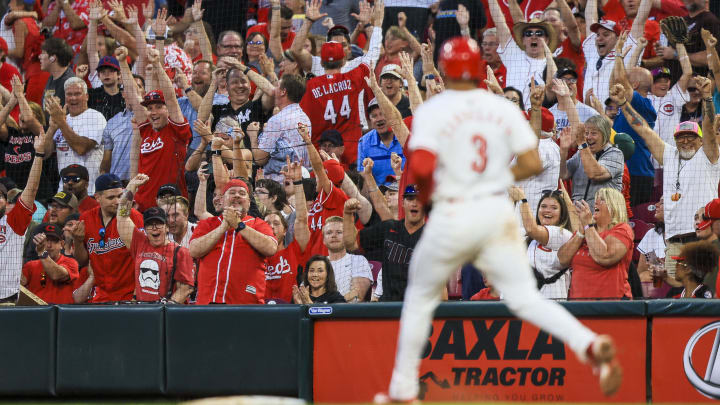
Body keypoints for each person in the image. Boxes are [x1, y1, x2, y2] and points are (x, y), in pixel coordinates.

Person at [375, 38, 621, 403]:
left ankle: (403, 390)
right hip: (495, 215)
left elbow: (423, 167)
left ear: (444, 70)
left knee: (419, 297)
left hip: (455, 214)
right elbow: (532, 164)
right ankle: (588, 343)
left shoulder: (435, 111)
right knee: (524, 298)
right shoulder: (500, 110)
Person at [610, 79, 719, 286]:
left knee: (707, 291)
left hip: (702, 239)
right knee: (676, 291)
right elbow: (642, 128)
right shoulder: (669, 155)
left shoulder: (709, 156)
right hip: (674, 239)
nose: (685, 141)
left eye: (691, 137)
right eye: (681, 137)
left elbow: (710, 129)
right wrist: (624, 103)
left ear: (701, 139)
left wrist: (707, 99)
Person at [121, 46, 192, 212]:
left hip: (171, 206)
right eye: (150, 108)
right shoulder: (146, 129)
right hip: (141, 206)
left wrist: (157, 65)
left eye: (159, 107)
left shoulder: (177, 130)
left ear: (168, 110)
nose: (153, 112)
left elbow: (171, 98)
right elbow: (132, 93)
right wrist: (123, 62)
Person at [189, 179, 278, 304]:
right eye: (232, 192)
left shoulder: (258, 223)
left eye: (242, 193)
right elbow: (194, 251)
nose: (237, 195)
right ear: (222, 200)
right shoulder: (208, 223)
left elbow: (271, 248)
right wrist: (223, 227)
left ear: (248, 202)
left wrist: (238, 225)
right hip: (208, 302)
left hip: (246, 305)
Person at [116, 177, 194, 304]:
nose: (154, 228)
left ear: (167, 227)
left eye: (158, 224)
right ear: (145, 228)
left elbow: (186, 288)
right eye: (150, 225)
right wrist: (131, 188)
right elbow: (122, 217)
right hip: (142, 310)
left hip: (169, 313)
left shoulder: (180, 252)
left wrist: (166, 308)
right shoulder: (139, 242)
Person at [343, 184, 425, 302]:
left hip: (419, 306)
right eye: (410, 199)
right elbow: (351, 244)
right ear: (402, 202)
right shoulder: (389, 228)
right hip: (388, 306)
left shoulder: (433, 237)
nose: (415, 203)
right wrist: (347, 214)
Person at [72, 173, 144, 303]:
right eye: (111, 197)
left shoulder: (134, 217)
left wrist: (135, 295)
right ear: (97, 197)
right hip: (102, 294)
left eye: (120, 196)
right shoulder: (86, 219)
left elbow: (143, 256)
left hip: (130, 293)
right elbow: (82, 261)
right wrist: (77, 241)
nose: (117, 201)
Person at [299, 40, 370, 167]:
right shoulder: (352, 78)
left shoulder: (311, 86)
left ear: (321, 62)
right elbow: (371, 58)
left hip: (321, 158)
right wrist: (376, 25)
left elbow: (302, 120)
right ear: (343, 61)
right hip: (351, 155)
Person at [558, 188, 634, 299]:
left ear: (614, 206)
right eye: (596, 199)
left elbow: (604, 257)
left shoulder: (622, 229)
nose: (596, 202)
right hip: (578, 305)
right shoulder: (586, 230)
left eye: (602, 199)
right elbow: (562, 259)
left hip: (611, 305)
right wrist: (580, 233)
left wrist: (588, 225)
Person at [0, 128, 47, 305]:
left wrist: (39, 154)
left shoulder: (13, 222)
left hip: (5, 301)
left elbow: (32, 189)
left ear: (6, 202)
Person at [510, 186, 576, 299]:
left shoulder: (563, 235)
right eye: (543, 206)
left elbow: (532, 229)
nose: (547, 210)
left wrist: (522, 199)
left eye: (554, 208)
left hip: (552, 303)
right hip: (527, 305)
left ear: (562, 214)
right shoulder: (528, 237)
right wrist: (511, 201)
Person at [46, 77, 106, 195]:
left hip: (88, 192)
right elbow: (45, 153)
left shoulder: (95, 117)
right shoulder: (63, 119)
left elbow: (81, 148)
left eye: (77, 94)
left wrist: (61, 122)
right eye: (69, 94)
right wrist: (52, 128)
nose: (73, 98)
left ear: (86, 96)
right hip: (63, 191)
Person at [264, 158, 310, 303]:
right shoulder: (256, 256)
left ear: (285, 231)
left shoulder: (294, 250)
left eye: (276, 223)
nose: (271, 227)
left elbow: (302, 218)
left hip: (289, 311)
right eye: (267, 223)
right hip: (260, 312)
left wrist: (297, 182)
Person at [249, 74, 310, 182]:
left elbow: (260, 159)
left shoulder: (276, 120)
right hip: (301, 179)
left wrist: (253, 135)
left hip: (280, 183)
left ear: (283, 92)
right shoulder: (305, 117)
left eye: (277, 86)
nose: (273, 90)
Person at [559, 115, 624, 210]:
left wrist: (582, 143)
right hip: (578, 216)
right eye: (586, 133)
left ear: (605, 135)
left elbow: (594, 174)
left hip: (604, 217)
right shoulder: (580, 153)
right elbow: (563, 174)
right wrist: (563, 151)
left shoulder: (615, 154)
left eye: (593, 133)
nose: (588, 137)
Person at [20, 222, 78, 304]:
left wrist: (42, 253)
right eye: (45, 240)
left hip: (63, 313)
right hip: (37, 312)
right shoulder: (31, 265)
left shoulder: (71, 262)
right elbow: (17, 284)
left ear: (62, 244)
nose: (49, 245)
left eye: (54, 241)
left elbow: (56, 274)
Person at [322, 216, 372, 302]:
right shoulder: (317, 263)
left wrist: (326, 306)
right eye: (329, 233)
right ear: (323, 240)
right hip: (317, 313)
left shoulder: (358, 260)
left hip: (347, 313)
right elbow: (303, 295)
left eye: (339, 232)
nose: (334, 236)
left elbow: (357, 297)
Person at [7, 0, 46, 104]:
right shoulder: (31, 20)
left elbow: (19, 52)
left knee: (32, 111)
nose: (9, 4)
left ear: (20, 6)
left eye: (11, 2)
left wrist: (3, 50)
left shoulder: (20, 22)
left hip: (35, 74)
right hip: (42, 71)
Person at [636, 197, 667, 296]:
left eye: (661, 203)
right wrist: (656, 266)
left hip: (676, 281)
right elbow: (643, 270)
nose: (656, 205)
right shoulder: (652, 234)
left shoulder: (685, 235)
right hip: (658, 280)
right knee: (643, 276)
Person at [39, 37, 75, 106]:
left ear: (53, 58)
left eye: (43, 53)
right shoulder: (52, 78)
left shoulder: (69, 83)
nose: (39, 56)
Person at [87, 56, 124, 121]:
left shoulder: (125, 96)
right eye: (103, 72)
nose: (106, 74)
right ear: (98, 75)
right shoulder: (91, 94)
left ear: (119, 74)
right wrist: (79, 77)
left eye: (111, 71)